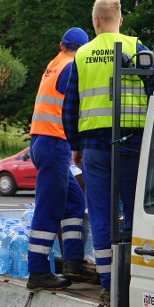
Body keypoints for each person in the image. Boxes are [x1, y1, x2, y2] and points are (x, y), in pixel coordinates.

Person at [62, 0, 154, 304]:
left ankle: (107, 281)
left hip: (94, 148)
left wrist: (76, 147)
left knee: (102, 216)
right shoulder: (137, 48)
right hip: (132, 142)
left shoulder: (82, 54)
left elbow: (70, 107)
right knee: (133, 214)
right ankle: (130, 279)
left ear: (95, 22)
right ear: (120, 19)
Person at [26, 27, 90, 291]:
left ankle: (73, 262)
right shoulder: (72, 67)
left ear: (61, 44)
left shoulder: (55, 63)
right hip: (53, 143)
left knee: (74, 202)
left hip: (44, 142)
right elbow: (79, 105)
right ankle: (38, 272)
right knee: (49, 208)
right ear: (83, 50)